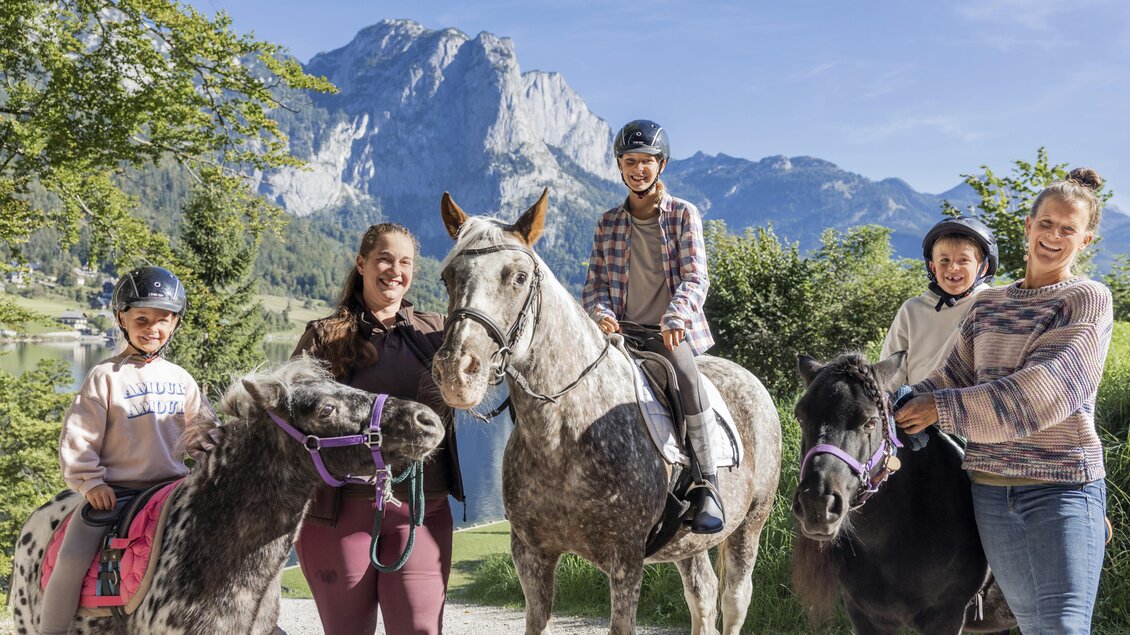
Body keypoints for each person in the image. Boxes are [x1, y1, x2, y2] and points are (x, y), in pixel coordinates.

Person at [895, 168, 1113, 633]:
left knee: (1062, 628)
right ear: (1029, 226)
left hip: (1061, 488)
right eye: (1047, 224)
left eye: (1068, 229)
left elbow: (1043, 393)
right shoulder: (990, 306)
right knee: (1032, 624)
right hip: (991, 492)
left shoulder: (1086, 298)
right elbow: (948, 376)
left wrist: (942, 408)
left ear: (1086, 240)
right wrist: (887, 403)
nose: (1054, 236)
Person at [292, 222, 463, 635]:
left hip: (421, 510)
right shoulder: (323, 337)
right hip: (336, 514)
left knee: (420, 630)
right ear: (362, 263)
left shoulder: (438, 333)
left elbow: (485, 372)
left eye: (405, 262)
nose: (394, 270)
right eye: (384, 258)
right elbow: (287, 419)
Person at [41, 266, 208, 635]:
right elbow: (80, 435)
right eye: (142, 318)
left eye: (163, 320)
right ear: (122, 319)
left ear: (175, 322)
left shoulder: (181, 379)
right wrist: (89, 482)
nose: (152, 328)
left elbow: (201, 436)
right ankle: (50, 629)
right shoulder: (105, 376)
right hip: (114, 493)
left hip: (172, 490)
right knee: (70, 560)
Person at [581, 119, 723, 534]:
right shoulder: (608, 222)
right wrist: (601, 313)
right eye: (629, 161)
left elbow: (696, 276)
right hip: (620, 333)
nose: (637, 169)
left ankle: (707, 482)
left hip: (668, 332)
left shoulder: (682, 214)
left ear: (661, 164)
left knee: (687, 377)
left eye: (645, 161)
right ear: (619, 166)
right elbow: (595, 285)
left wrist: (676, 315)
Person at [880, 216, 998, 386]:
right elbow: (891, 371)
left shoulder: (991, 304)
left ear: (983, 267)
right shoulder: (912, 310)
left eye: (963, 260)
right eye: (944, 260)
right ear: (933, 267)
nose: (952, 267)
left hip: (967, 407)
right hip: (913, 408)